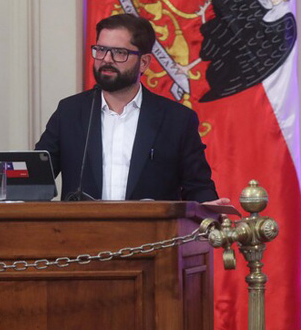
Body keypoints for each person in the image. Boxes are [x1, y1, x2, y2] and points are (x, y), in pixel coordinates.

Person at [35, 13, 229, 204]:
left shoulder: (176, 120)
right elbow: (36, 179)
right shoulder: (69, 113)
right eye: (101, 50)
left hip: (152, 226)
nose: (106, 59)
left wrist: (208, 208)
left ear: (144, 62)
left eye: (119, 52)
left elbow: (198, 188)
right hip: (83, 225)